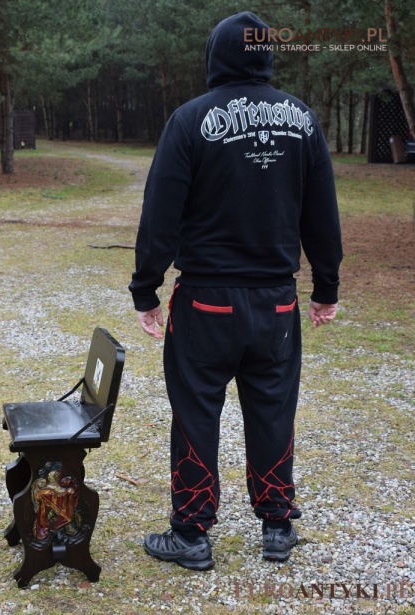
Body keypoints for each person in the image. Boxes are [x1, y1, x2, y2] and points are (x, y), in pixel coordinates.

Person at [129, 11, 342, 570]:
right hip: (276, 303)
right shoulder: (301, 120)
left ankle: (191, 533)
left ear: (215, 56)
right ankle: (277, 525)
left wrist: (146, 288)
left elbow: (160, 212)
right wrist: (326, 285)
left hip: (206, 303)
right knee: (273, 409)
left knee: (196, 412)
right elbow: (322, 211)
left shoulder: (189, 119)